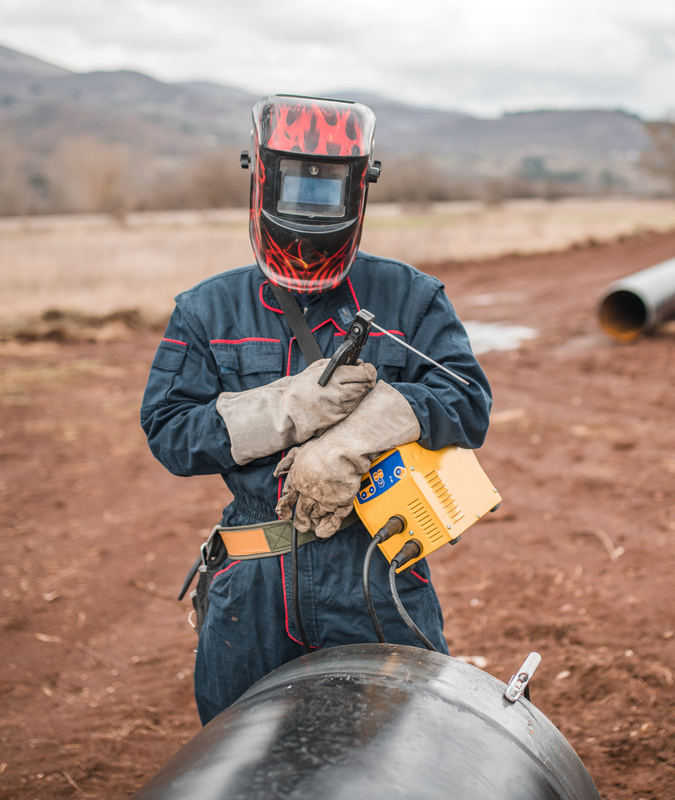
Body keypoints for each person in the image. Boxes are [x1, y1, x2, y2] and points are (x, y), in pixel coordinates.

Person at [140, 95, 493, 724]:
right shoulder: (207, 310)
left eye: (328, 186)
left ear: (361, 186)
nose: (310, 208)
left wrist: (355, 438)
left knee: (402, 744)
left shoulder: (410, 297)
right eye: (298, 184)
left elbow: (468, 402)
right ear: (262, 178)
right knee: (241, 753)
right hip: (252, 582)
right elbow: (170, 432)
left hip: (375, 568)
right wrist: (283, 407)